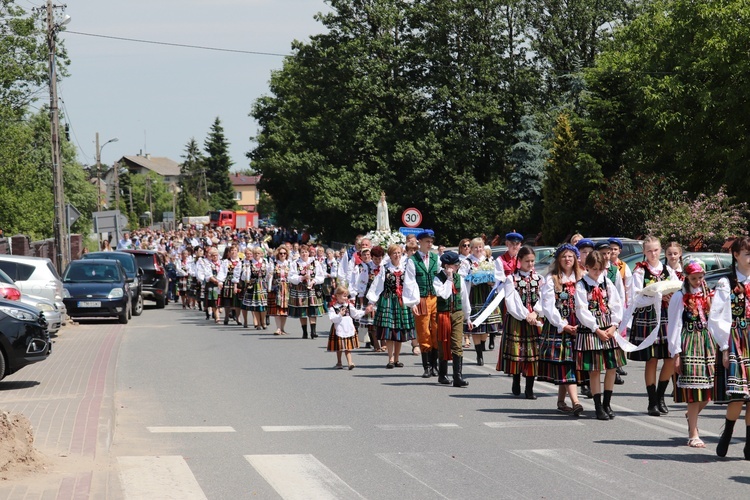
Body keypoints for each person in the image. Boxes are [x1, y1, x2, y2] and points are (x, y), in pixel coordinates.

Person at [667, 258, 720, 448]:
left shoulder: (708, 294)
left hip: (707, 342)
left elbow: (714, 319)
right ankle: (693, 433)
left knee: (711, 389)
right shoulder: (679, 297)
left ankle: (692, 415)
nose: (698, 281)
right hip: (689, 342)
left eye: (700, 277)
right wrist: (676, 353)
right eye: (694, 278)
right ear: (687, 277)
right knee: (694, 391)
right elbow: (674, 325)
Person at [629, 236, 680, 417]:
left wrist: (670, 296)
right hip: (648, 316)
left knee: (669, 358)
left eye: (656, 250)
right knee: (651, 360)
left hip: (667, 317)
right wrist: (657, 297)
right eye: (649, 250)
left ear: (660, 250)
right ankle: (652, 401)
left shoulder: (667, 270)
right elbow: (636, 297)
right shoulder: (640, 271)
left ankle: (660, 397)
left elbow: (678, 289)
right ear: (644, 252)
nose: (653, 254)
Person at [711, 236, 750, 459]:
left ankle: (749, 442)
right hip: (736, 338)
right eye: (747, 254)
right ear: (736, 255)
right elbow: (717, 318)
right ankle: (727, 433)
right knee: (738, 395)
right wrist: (725, 347)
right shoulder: (726, 282)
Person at [575, 250, 625, 421]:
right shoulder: (581, 285)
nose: (597, 273)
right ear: (587, 267)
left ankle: (607, 403)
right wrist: (596, 328)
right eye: (594, 269)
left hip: (608, 328)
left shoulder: (607, 283)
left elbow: (616, 304)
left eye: (600, 269)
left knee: (611, 367)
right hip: (592, 331)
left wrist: (614, 325)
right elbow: (582, 310)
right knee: (595, 370)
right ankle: (597, 406)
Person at [539, 244, 584, 416]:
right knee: (566, 363)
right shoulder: (551, 279)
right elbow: (548, 306)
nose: (567, 259)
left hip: (578, 325)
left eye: (570, 257)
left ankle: (560, 401)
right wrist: (562, 324)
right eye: (564, 256)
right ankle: (576, 402)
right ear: (558, 259)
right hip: (559, 326)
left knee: (570, 364)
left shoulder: (582, 277)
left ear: (575, 259)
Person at [498, 245, 543, 399]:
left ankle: (529, 389)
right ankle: (516, 380)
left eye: (532, 261)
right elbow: (511, 302)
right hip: (518, 319)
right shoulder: (512, 279)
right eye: (527, 261)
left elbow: (545, 298)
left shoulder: (539, 279)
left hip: (534, 319)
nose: (530, 264)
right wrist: (526, 315)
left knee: (533, 354)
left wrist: (536, 313)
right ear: (519, 261)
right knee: (517, 352)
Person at [366, 244, 419, 369]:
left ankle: (397, 359)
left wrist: (413, 303)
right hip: (388, 301)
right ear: (390, 255)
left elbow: (411, 285)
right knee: (389, 331)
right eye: (394, 253)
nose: (397, 255)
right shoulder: (385, 268)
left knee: (399, 331)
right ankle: (390, 358)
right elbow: (377, 285)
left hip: (402, 301)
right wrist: (371, 302)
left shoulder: (406, 268)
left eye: (399, 253)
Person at [460, 237, 505, 366]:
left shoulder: (489, 260)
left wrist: (492, 282)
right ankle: (479, 355)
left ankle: (483, 344)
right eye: (475, 247)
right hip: (474, 294)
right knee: (475, 325)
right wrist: (472, 282)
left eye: (480, 247)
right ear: (471, 249)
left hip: (487, 293)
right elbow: (462, 278)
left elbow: (496, 276)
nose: (478, 249)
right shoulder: (467, 262)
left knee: (486, 326)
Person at [405, 229, 440, 379]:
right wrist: (413, 302)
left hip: (435, 297)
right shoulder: (413, 260)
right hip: (421, 298)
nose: (430, 244)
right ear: (420, 242)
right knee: (424, 331)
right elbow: (410, 282)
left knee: (436, 330)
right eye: (427, 242)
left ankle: (435, 366)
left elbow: (440, 277)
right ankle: (426, 367)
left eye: (431, 242)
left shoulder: (435, 258)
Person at [433, 251, 470, 387]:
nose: (458, 267)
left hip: (457, 313)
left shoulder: (459, 278)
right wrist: (448, 279)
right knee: (443, 343)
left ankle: (457, 377)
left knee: (456, 344)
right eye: (455, 265)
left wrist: (468, 317)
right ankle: (442, 374)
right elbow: (445, 295)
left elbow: (464, 298)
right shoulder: (438, 279)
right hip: (443, 314)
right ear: (447, 266)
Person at [289, 244, 325, 339]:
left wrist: (314, 281)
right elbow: (291, 277)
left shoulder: (315, 262)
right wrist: (301, 278)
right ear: (299, 253)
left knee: (313, 309)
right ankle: (304, 332)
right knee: (303, 311)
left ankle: (313, 331)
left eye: (306, 252)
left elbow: (321, 276)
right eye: (302, 252)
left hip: (312, 288)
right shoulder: (295, 263)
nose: (304, 254)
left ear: (309, 253)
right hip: (301, 289)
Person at [327, 285, 365, 370]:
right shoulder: (333, 307)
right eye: (344, 296)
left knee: (348, 347)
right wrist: (340, 314)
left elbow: (355, 314)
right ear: (337, 296)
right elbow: (332, 319)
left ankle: (350, 363)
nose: (345, 298)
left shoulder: (348, 305)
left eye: (346, 296)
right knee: (339, 347)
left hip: (348, 328)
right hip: (339, 328)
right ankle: (339, 362)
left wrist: (364, 312)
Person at [241, 247, 270, 329]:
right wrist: (246, 272)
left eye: (258, 253)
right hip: (253, 285)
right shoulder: (249, 263)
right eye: (255, 253)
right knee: (255, 305)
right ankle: (258, 323)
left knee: (263, 304)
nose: (256, 255)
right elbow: (244, 278)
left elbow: (268, 274)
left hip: (263, 284)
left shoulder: (265, 262)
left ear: (261, 254)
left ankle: (263, 321)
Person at [268, 246, 291, 335]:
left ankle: (282, 328)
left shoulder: (289, 264)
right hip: (277, 287)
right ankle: (278, 328)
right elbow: (268, 275)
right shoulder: (273, 264)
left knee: (285, 309)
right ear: (278, 254)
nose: (282, 255)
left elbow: (292, 276)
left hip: (286, 287)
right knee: (277, 308)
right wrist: (269, 276)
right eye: (281, 253)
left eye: (284, 253)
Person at [218, 245, 242, 325]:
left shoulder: (241, 261)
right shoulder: (225, 261)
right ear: (229, 252)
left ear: (237, 252)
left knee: (238, 301)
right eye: (232, 250)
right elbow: (221, 271)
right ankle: (226, 316)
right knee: (227, 300)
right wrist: (220, 281)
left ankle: (238, 317)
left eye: (235, 250)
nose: (233, 252)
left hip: (238, 281)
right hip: (228, 281)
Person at [198, 247, 222, 323]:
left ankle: (218, 313)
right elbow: (208, 275)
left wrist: (221, 281)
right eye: (213, 255)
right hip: (212, 283)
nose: (215, 257)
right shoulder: (208, 264)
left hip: (221, 282)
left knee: (219, 300)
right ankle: (217, 316)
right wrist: (216, 281)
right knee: (214, 300)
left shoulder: (221, 263)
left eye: (216, 255)